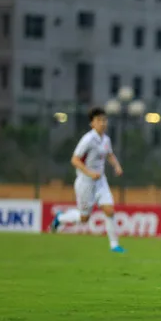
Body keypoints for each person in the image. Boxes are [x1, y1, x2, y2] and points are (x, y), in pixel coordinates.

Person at [50, 107, 125, 253]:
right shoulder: (87, 140)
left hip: (101, 181)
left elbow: (109, 154)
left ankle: (114, 245)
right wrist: (89, 173)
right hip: (86, 183)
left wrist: (117, 166)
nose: (102, 123)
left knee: (109, 210)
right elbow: (75, 159)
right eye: (99, 120)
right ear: (92, 123)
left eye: (104, 120)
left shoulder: (106, 139)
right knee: (84, 218)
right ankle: (61, 218)